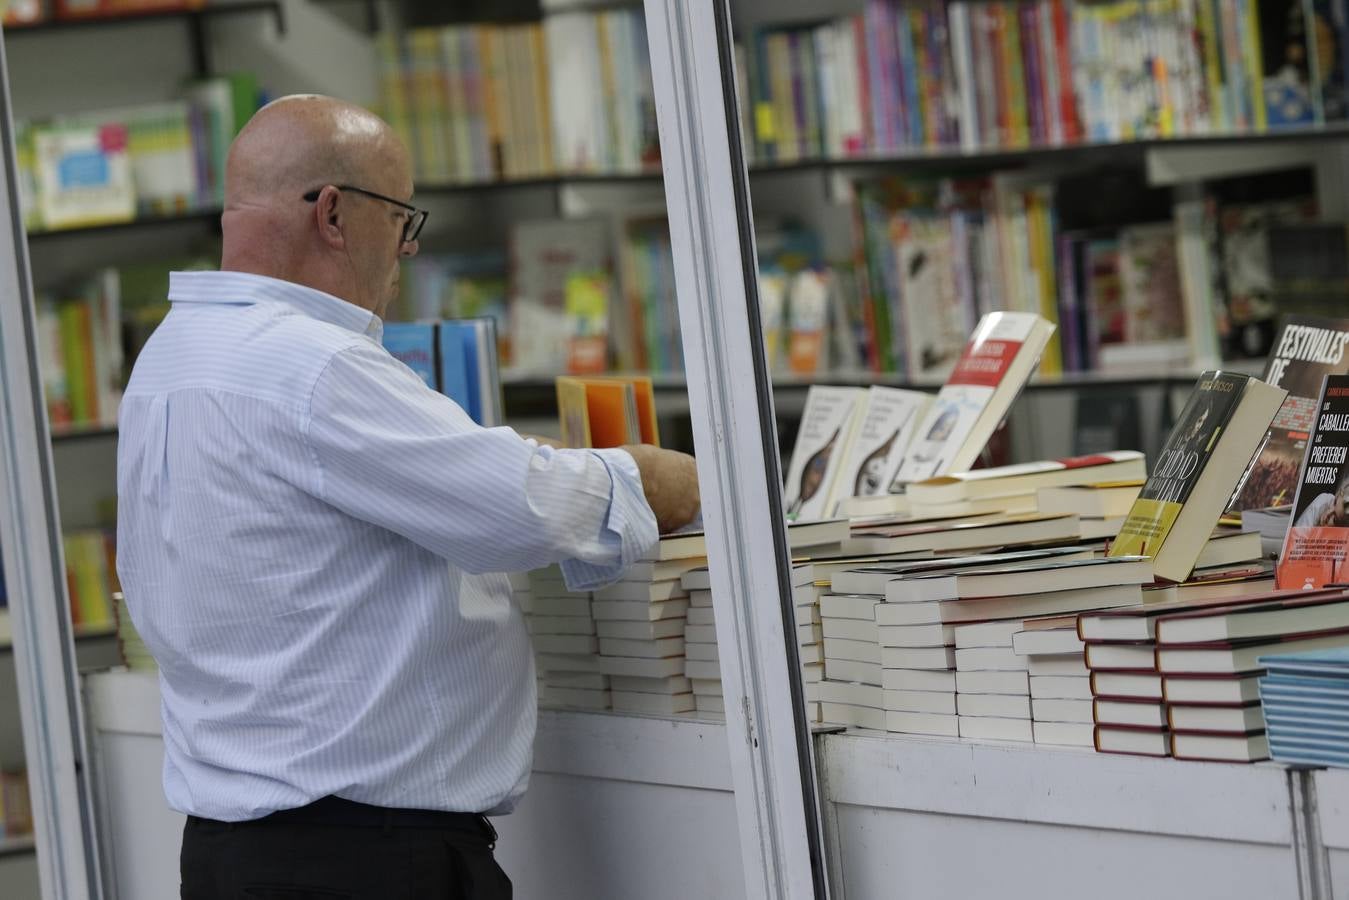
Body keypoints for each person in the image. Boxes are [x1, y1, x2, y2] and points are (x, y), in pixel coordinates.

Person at [115, 95, 701, 900]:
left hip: (234, 852)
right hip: (359, 861)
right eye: (400, 218)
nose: (407, 248)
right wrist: (659, 477)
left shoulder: (175, 352)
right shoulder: (312, 363)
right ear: (332, 214)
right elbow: (520, 509)